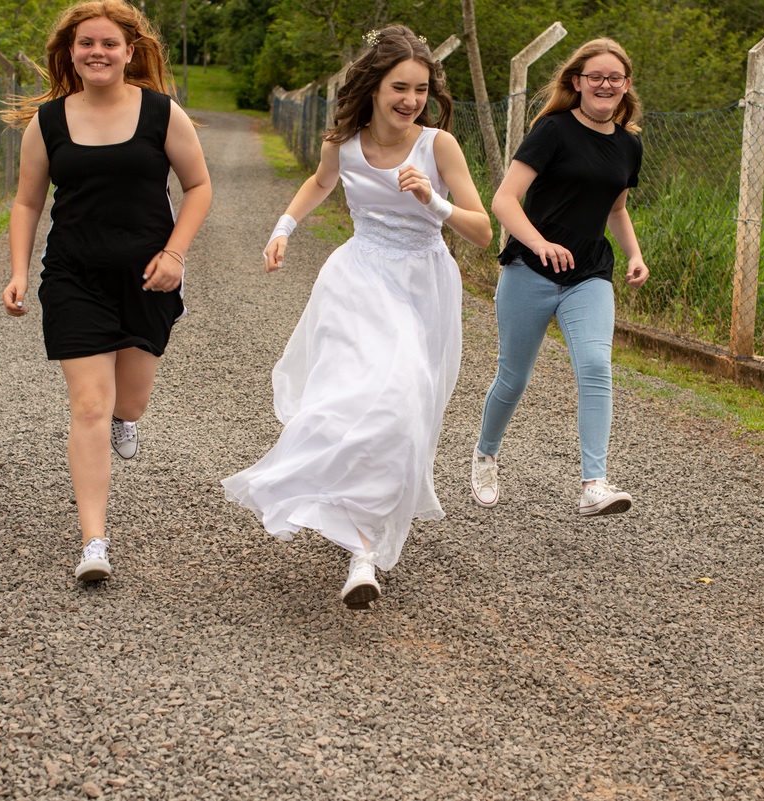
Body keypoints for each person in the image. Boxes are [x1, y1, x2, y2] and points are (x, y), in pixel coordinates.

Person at [223, 25, 491, 608]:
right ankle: (362, 549)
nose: (411, 100)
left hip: (423, 282)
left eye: (421, 89)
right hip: (358, 278)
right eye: (400, 86)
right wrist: (282, 230)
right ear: (372, 86)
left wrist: (435, 201)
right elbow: (320, 183)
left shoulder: (438, 145)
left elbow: (481, 231)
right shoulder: (342, 142)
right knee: (352, 395)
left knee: (404, 402)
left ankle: (362, 543)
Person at [1, 0, 212, 582]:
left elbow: (197, 186)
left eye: (109, 44)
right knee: (89, 404)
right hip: (74, 277)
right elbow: (26, 202)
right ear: (70, 53)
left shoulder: (163, 114)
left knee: (128, 403)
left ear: (129, 51)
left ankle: (127, 418)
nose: (98, 52)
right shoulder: (47, 123)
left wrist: (175, 255)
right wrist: (18, 271)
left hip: (149, 278)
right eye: (86, 43)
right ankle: (94, 541)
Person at [469, 39, 649, 517]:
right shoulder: (551, 131)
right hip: (529, 268)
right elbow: (504, 200)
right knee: (513, 377)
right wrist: (540, 243)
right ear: (577, 82)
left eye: (615, 77)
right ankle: (486, 454)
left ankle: (594, 483)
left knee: (595, 366)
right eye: (596, 77)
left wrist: (633, 253)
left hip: (589, 272)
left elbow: (616, 209)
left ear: (626, 85)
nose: (605, 84)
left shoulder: (630, 144)